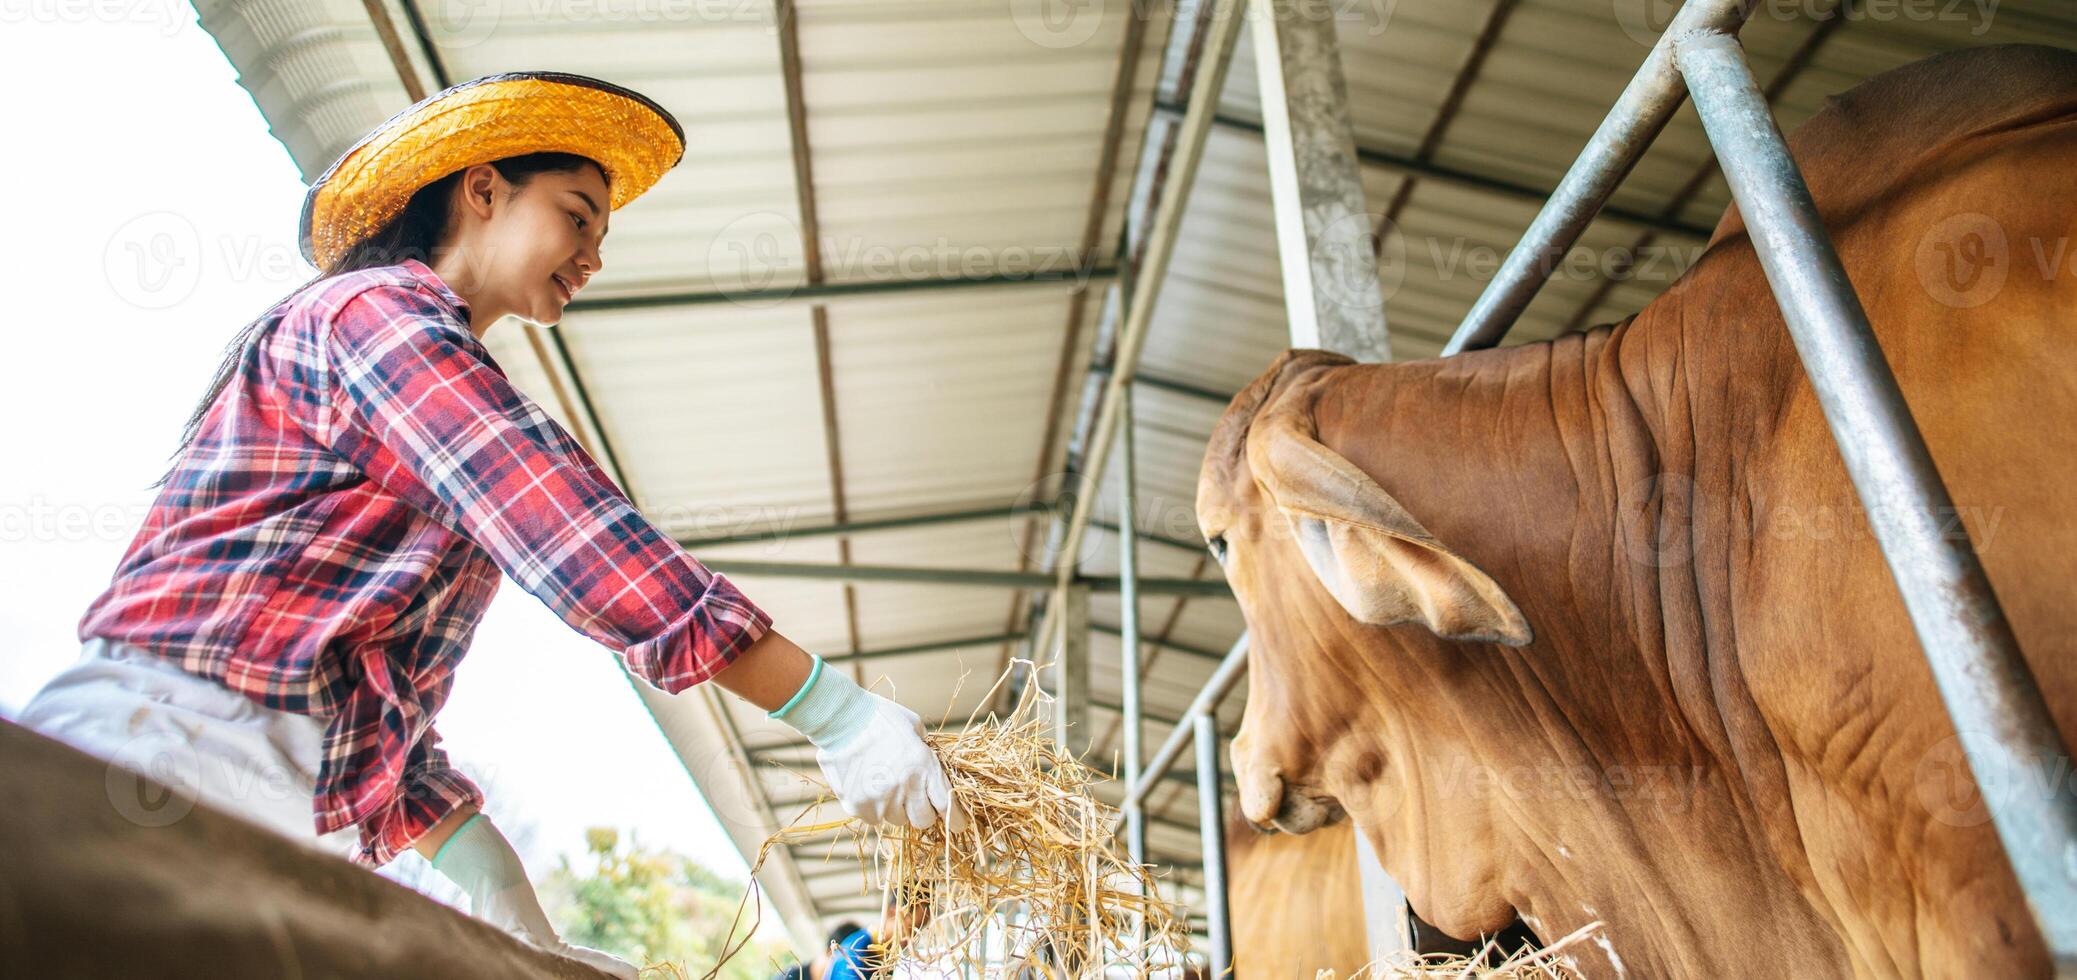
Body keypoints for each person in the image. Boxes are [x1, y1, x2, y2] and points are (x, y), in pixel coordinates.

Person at [19, 71, 961, 979]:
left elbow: (384, 720)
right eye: (577, 216)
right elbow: (565, 528)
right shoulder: (375, 316)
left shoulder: (424, 382)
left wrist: (516, 919)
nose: (593, 255)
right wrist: (832, 715)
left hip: (270, 798)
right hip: (162, 752)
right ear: (482, 191)